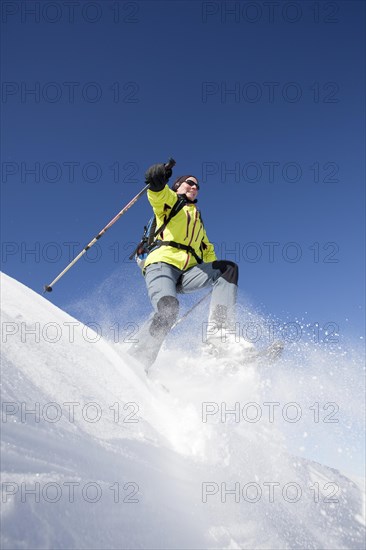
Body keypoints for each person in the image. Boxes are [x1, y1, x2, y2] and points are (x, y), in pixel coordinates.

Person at [128, 162, 254, 371]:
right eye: (189, 183)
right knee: (168, 309)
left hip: (187, 274)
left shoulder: (198, 223)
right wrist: (158, 180)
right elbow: (157, 194)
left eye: (197, 186)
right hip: (162, 265)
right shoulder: (170, 202)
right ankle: (138, 360)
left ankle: (219, 335)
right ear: (177, 186)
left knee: (227, 269)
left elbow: (209, 255)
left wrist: (220, 280)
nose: (194, 187)